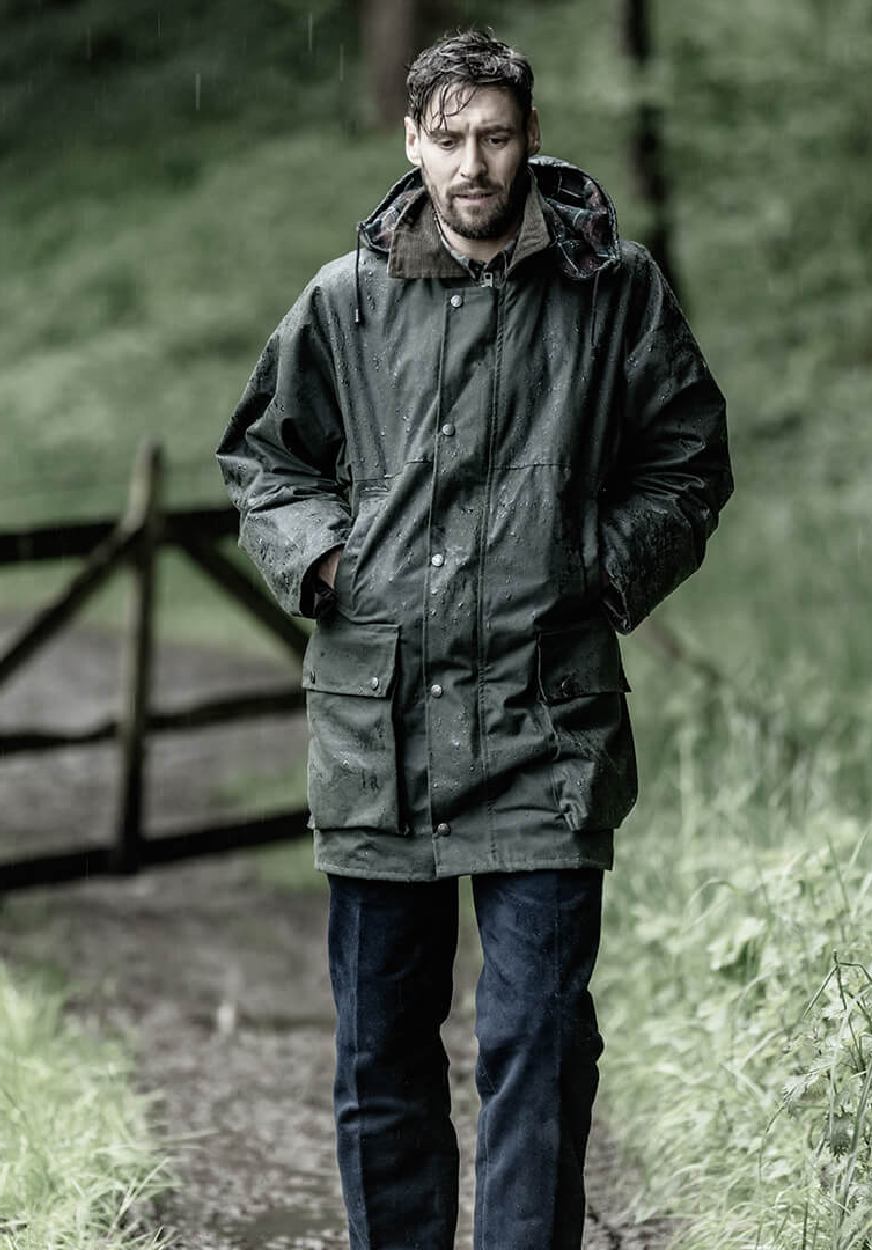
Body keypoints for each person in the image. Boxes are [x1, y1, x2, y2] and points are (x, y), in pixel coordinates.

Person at [217, 27, 732, 1250]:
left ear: (531, 137)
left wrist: (600, 568)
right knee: (383, 1045)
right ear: (411, 142)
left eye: (494, 136)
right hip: (378, 726)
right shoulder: (344, 302)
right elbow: (262, 459)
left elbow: (688, 458)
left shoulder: (616, 292)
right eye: (446, 139)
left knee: (538, 1037)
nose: (471, 165)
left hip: (545, 723)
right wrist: (331, 559)